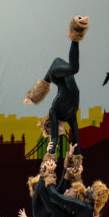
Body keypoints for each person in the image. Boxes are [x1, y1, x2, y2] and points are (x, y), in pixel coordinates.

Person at [24, 16, 89, 153]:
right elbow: (76, 139)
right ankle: (79, 25)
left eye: (59, 131)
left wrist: (50, 151)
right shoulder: (70, 116)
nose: (62, 132)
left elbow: (54, 139)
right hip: (62, 76)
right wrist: (75, 160)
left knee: (73, 68)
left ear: (53, 126)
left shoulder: (55, 112)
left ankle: (76, 27)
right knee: (72, 69)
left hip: (57, 72)